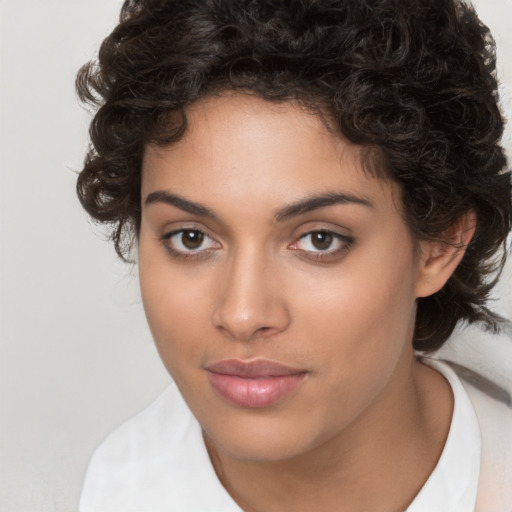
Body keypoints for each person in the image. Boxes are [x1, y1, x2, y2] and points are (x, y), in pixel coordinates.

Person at [76, 0, 512, 510]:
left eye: (319, 240)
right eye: (191, 238)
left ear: (438, 246)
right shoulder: (118, 488)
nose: (242, 314)